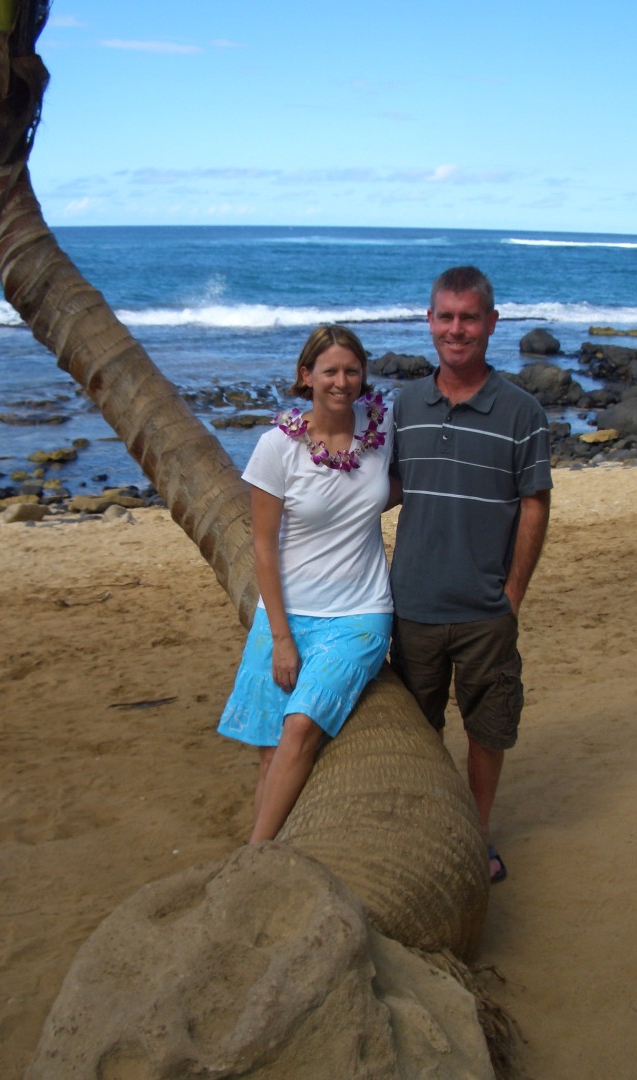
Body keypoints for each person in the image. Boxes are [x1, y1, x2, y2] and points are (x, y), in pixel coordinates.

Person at [389, 266, 552, 883]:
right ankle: (433, 828)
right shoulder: (405, 405)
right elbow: (388, 488)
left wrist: (512, 595)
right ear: (429, 321)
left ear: (491, 323)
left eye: (469, 317)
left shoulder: (522, 411)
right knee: (418, 732)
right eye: (446, 316)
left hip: (486, 612)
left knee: (488, 730)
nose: (456, 329)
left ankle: (477, 835)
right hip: (413, 606)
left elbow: (534, 503)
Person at [218, 325, 394, 842]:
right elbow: (263, 548)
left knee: (299, 727)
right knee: (270, 753)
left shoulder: (383, 429)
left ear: (363, 375)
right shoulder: (278, 447)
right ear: (306, 375)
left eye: (352, 370)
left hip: (360, 614)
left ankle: (255, 853)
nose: (342, 381)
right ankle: (269, 850)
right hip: (286, 615)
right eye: (330, 370)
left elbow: (402, 485)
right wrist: (281, 638)